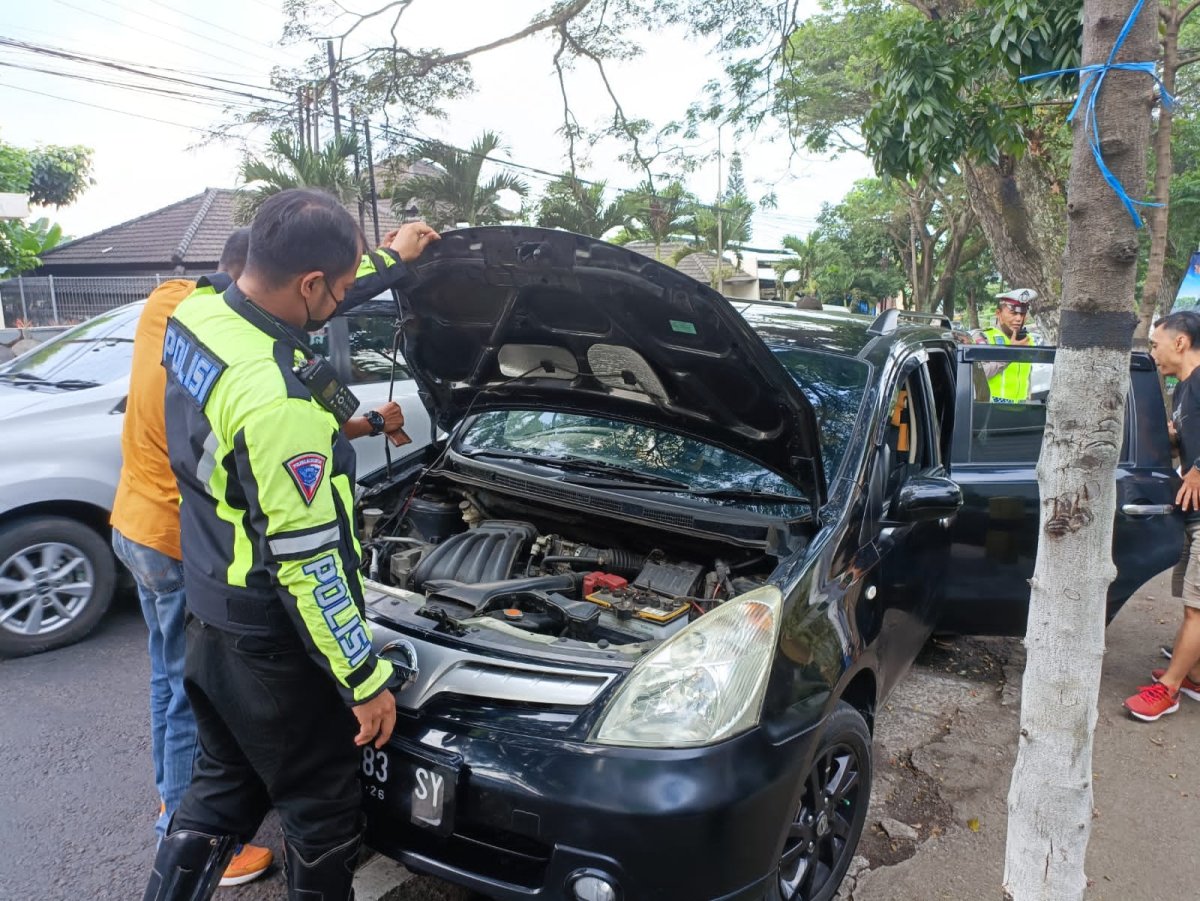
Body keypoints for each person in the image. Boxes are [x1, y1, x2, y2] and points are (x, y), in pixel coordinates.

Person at [118, 217, 435, 889]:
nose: (342, 298)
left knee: (221, 790)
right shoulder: (278, 402)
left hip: (209, 610)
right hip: (272, 643)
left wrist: (391, 261)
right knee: (322, 814)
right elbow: (310, 563)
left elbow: (307, 303)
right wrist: (364, 679)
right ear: (309, 283)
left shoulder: (197, 314)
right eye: (341, 287)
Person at [1124, 311, 1200, 721]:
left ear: (1181, 342)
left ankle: (1168, 690)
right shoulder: (1184, 389)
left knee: (1197, 609)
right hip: (1195, 512)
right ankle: (1194, 675)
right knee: (1191, 600)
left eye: (1155, 343)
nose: (1152, 352)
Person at [974, 288, 1039, 402]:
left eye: (1022, 313)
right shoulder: (984, 338)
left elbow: (1028, 378)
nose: (1018, 318)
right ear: (998, 314)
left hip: (1021, 411)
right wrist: (1010, 353)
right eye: (1013, 313)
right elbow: (980, 375)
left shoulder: (1028, 341)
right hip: (991, 411)